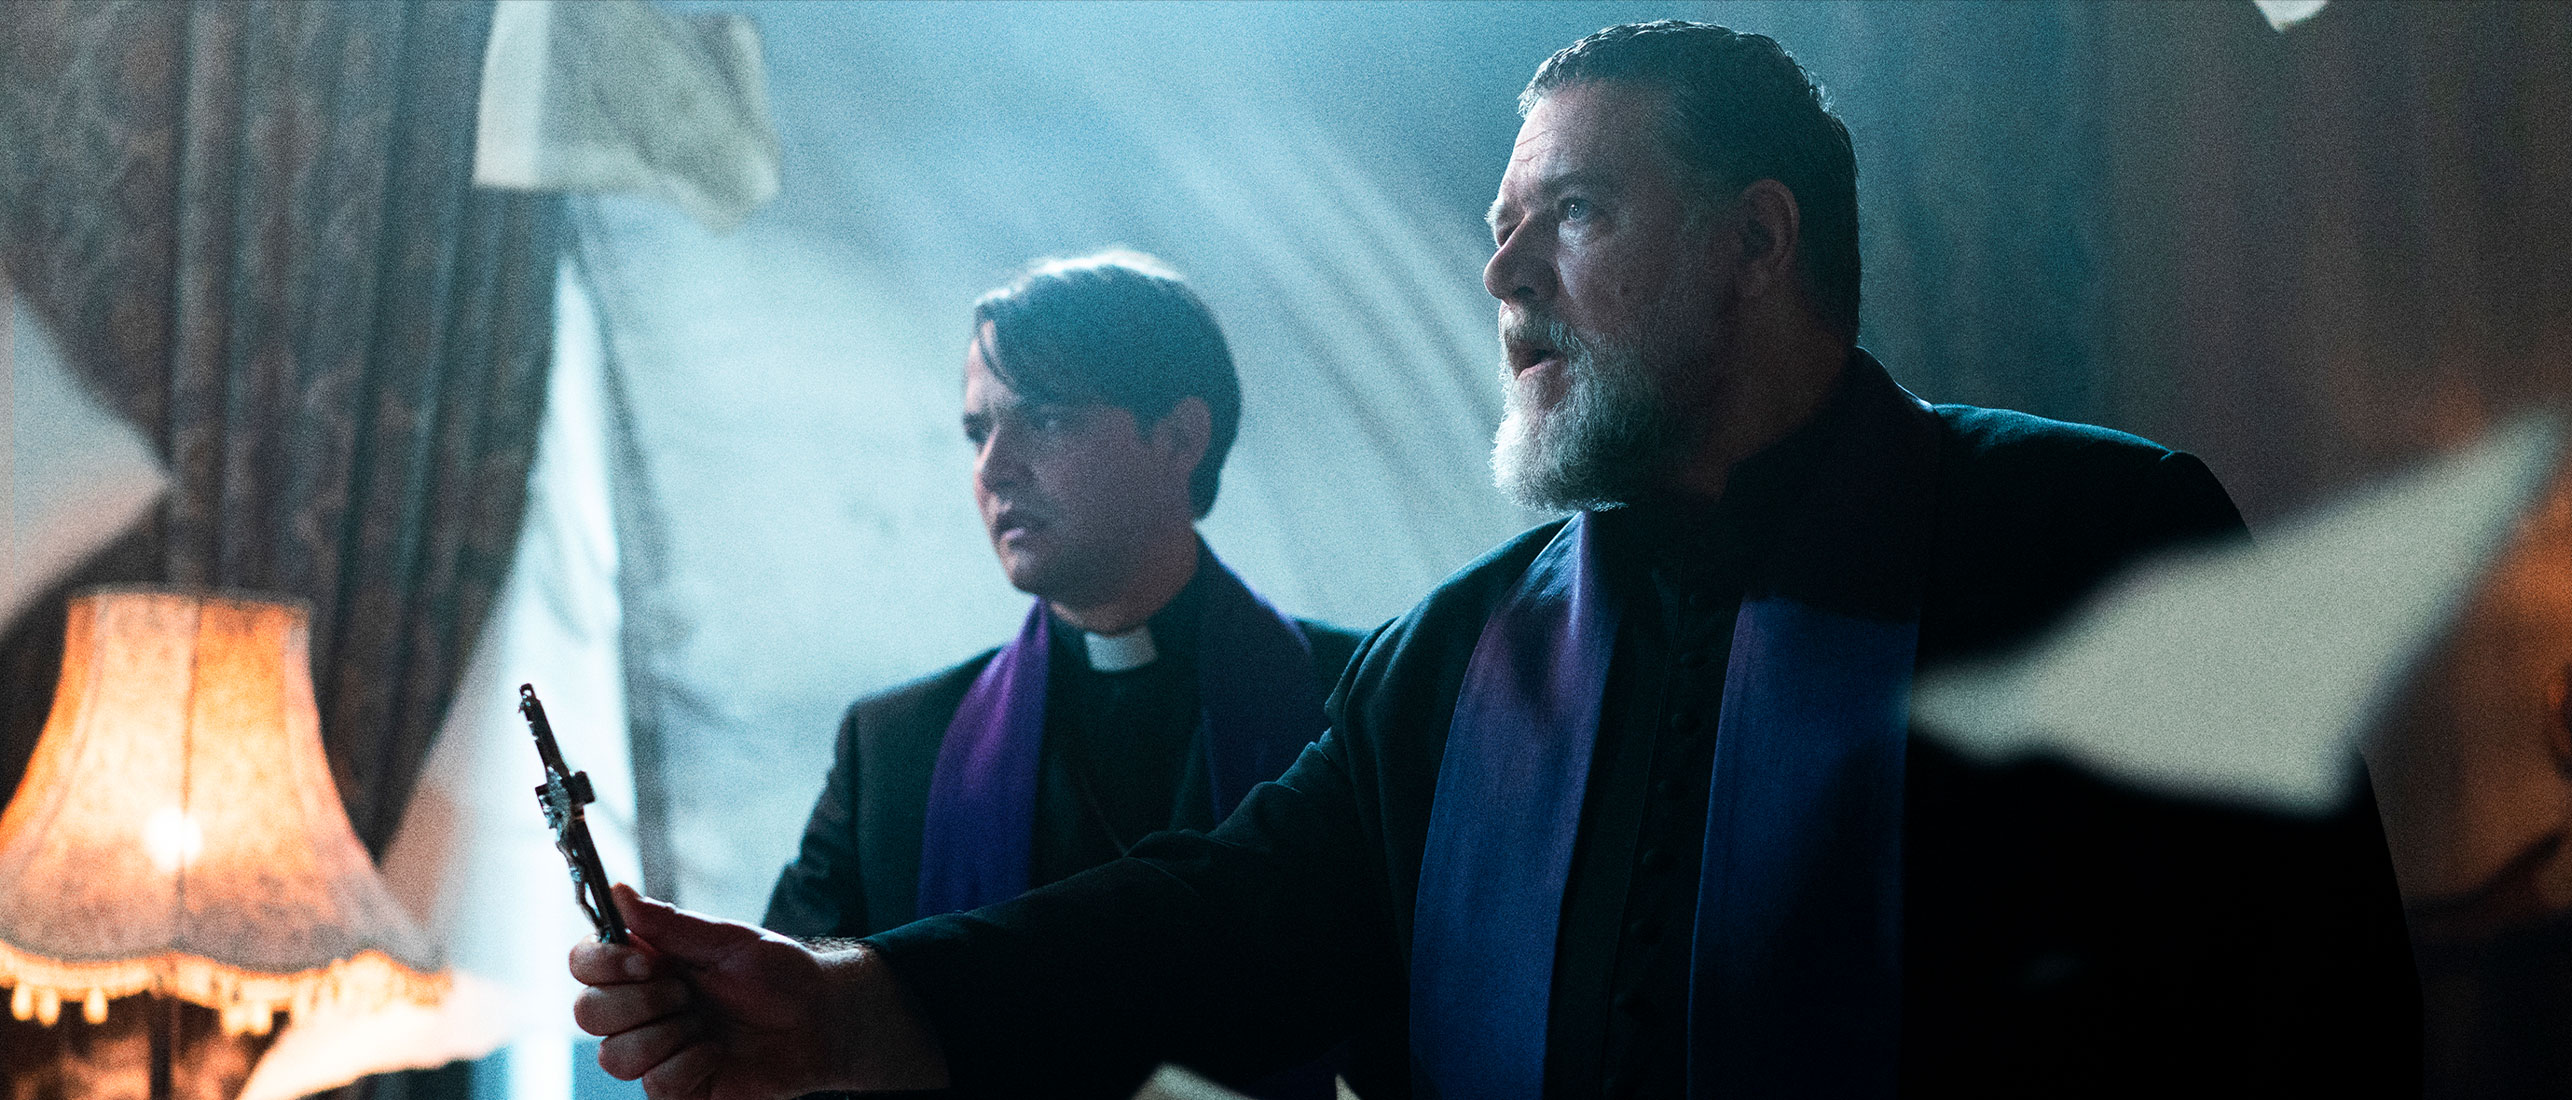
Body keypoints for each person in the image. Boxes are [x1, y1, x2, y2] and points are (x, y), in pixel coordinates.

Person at [571, 22, 2420, 1100]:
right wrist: (849, 1003)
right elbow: (1220, 919)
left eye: (1575, 214)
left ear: (1757, 243)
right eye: (1499, 227)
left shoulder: (2098, 542)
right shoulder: (1457, 660)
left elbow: (2315, 1028)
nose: (1502, 276)